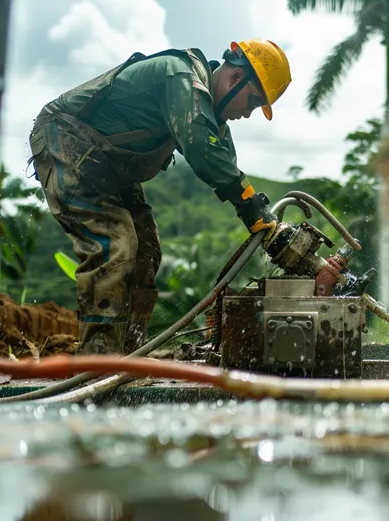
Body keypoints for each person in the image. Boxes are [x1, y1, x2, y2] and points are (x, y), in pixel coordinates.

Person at [26, 39, 292, 355]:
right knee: (114, 240)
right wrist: (249, 206)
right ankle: (99, 354)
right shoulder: (182, 78)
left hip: (108, 162)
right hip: (66, 138)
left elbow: (226, 164)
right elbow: (202, 150)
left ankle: (130, 350)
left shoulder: (206, 111)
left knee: (146, 247)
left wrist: (262, 218)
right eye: (251, 102)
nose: (247, 114)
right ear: (236, 80)